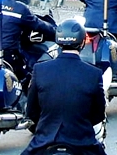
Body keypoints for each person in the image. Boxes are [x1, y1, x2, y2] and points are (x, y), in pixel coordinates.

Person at [22, 19, 106, 155]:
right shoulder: (94, 73)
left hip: (44, 143)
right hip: (82, 144)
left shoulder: (40, 69)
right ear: (82, 42)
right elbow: (98, 114)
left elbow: (31, 111)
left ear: (58, 42)